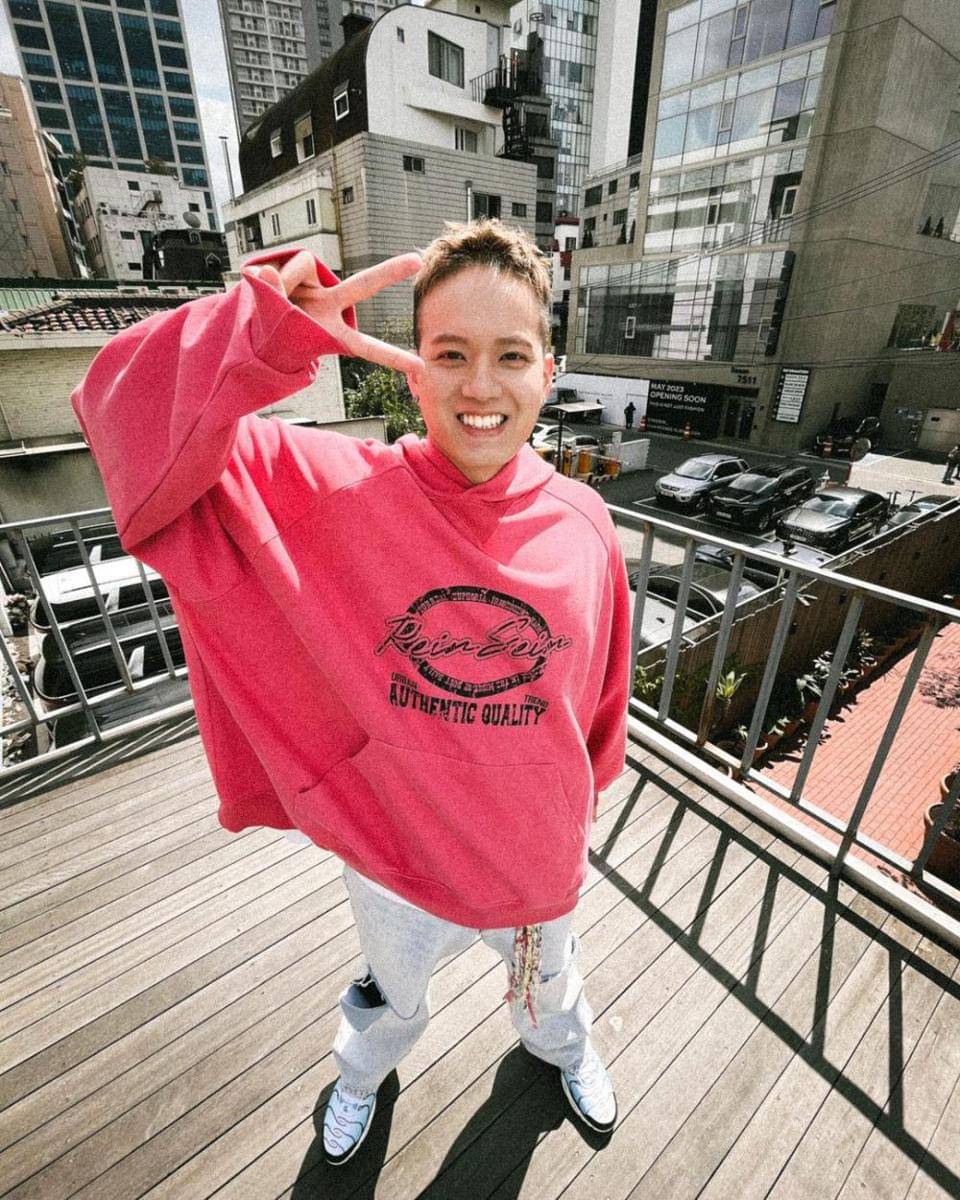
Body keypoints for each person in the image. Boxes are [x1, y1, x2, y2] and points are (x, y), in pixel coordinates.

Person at [70, 219, 631, 1166]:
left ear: (548, 372)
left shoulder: (586, 522)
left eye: (510, 355)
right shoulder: (325, 487)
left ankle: (565, 1055)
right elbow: (120, 416)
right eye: (449, 353)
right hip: (393, 854)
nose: (480, 385)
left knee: (551, 988)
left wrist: (571, 804)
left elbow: (599, 703)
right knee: (389, 999)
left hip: (535, 854)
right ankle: (361, 1080)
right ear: (412, 371)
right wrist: (261, 332)